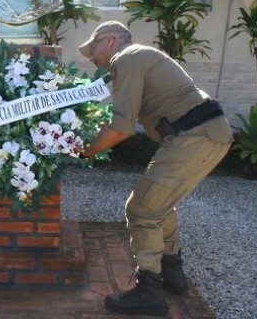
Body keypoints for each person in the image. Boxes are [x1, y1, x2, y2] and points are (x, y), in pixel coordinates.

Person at [78, 21, 233, 316]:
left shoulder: (127, 58)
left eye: (93, 48)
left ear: (110, 40)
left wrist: (82, 152)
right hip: (204, 133)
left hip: (194, 136)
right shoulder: (139, 57)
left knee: (141, 210)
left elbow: (121, 127)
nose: (91, 57)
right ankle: (172, 276)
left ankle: (149, 292)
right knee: (159, 206)